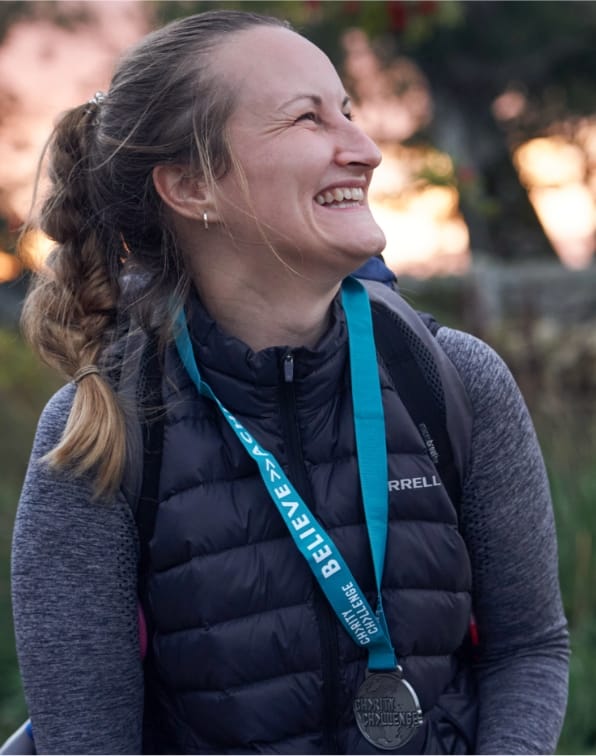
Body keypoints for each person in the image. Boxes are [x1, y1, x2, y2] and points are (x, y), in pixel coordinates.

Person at [9, 9, 568, 755]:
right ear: (191, 184)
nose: (365, 151)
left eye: (349, 112)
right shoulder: (101, 432)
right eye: (309, 120)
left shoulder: (453, 380)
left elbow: (528, 648)